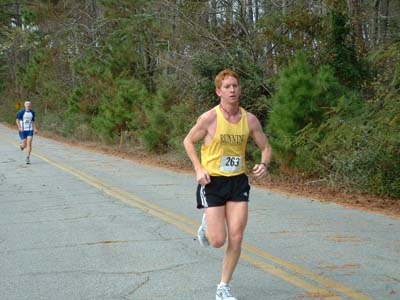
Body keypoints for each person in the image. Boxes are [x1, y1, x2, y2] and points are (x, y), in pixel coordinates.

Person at [183, 69, 272, 300]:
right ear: (218, 92)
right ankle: (205, 226)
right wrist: (198, 168)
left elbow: (266, 147)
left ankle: (223, 286)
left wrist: (264, 164)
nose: (232, 90)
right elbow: (188, 141)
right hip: (212, 182)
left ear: (239, 89)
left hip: (237, 182)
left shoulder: (249, 119)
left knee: (237, 236)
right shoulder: (209, 118)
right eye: (227, 87)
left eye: (235, 86)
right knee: (217, 240)